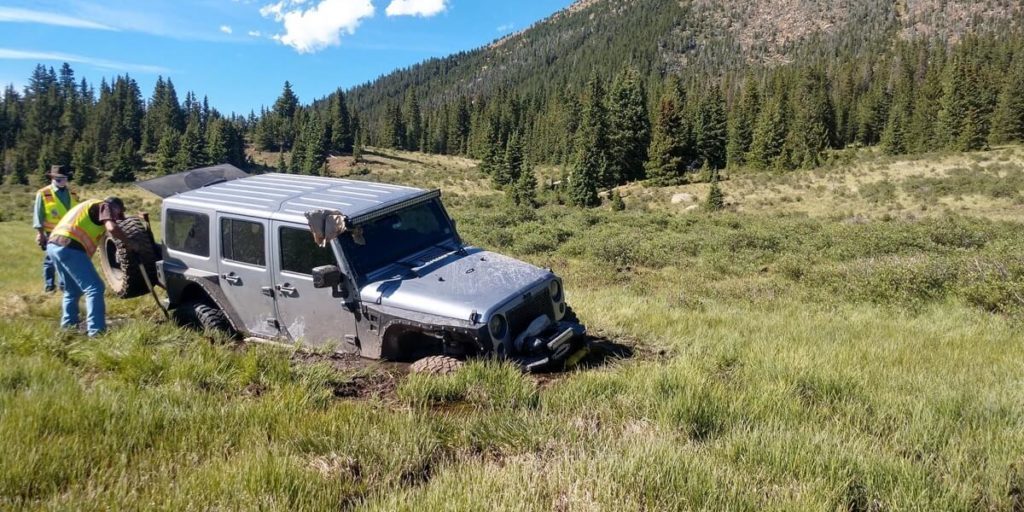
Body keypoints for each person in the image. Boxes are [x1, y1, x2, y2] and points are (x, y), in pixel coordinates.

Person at [46, 197, 133, 337]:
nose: (117, 217)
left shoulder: (88, 205)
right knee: (95, 288)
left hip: (54, 246)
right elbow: (112, 227)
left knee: (72, 290)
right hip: (70, 246)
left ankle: (68, 328)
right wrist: (130, 244)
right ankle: (96, 332)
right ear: (116, 207)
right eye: (119, 214)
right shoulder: (105, 206)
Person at [32, 165, 79, 292]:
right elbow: (38, 215)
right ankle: (49, 287)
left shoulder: (73, 193)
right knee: (50, 261)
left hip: (70, 233)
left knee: (67, 260)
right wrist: (40, 234)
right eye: (58, 179)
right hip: (51, 233)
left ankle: (64, 286)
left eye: (64, 178)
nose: (62, 181)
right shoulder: (43, 193)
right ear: (52, 178)